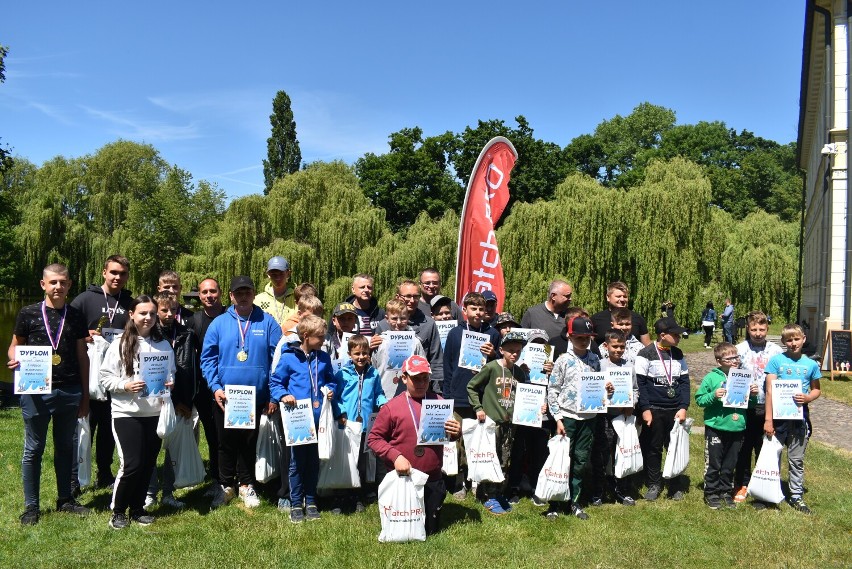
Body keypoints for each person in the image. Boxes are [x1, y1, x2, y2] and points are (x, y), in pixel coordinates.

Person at [8, 263, 90, 525]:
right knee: (33, 448)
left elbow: (82, 356)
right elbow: (14, 347)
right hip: (35, 390)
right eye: (53, 282)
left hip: (69, 389)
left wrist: (85, 396)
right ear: (43, 284)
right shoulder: (28, 313)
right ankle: (31, 507)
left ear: (69, 285)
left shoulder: (75, 315)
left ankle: (65, 499)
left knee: (65, 447)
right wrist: (14, 360)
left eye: (63, 282)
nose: (58, 287)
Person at [200, 276, 282, 510]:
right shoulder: (219, 323)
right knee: (224, 442)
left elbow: (277, 361)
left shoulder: (268, 323)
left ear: (253, 293)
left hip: (255, 397)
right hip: (225, 397)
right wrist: (215, 387)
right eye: (239, 292)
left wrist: (273, 395)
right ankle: (226, 485)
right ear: (231, 296)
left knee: (248, 442)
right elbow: (208, 359)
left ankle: (246, 485)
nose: (243, 296)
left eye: (247, 292)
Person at [99, 295, 176, 529]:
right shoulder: (120, 343)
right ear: (131, 314)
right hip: (126, 413)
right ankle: (118, 511)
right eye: (143, 313)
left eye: (152, 313)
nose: (148, 318)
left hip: (153, 413)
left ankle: (138, 508)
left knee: (148, 463)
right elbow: (105, 377)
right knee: (131, 464)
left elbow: (169, 372)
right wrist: (125, 386)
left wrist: (169, 381)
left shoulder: (163, 345)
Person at [367, 355, 462, 536]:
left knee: (431, 531)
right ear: (404, 378)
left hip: (432, 477)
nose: (421, 383)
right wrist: (395, 456)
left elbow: (446, 436)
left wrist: (456, 432)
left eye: (425, 378)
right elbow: (374, 439)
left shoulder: (440, 403)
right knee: (403, 529)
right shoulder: (391, 408)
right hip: (403, 479)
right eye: (415, 378)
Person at [70, 254, 132, 490]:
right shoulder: (85, 300)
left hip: (115, 376)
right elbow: (67, 331)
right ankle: (74, 477)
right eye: (113, 272)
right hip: (88, 374)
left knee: (108, 429)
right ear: (104, 272)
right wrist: (84, 336)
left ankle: (104, 473)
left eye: (122, 273)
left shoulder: (129, 303)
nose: (118, 277)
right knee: (84, 427)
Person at [270, 314, 337, 523]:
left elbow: (331, 381)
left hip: (318, 419)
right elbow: (275, 383)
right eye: (320, 337)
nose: (324, 340)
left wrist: (330, 390)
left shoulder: (323, 357)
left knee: (313, 462)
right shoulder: (289, 357)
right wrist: (283, 395)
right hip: (297, 418)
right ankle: (296, 501)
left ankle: (311, 499)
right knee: (296, 462)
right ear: (306, 336)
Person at [442, 292, 501, 499]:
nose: (477, 313)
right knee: (457, 439)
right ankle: (458, 481)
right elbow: (447, 365)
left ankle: (475, 479)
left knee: (477, 440)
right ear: (464, 310)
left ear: (486, 312)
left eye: (481, 309)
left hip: (482, 396)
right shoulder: (455, 333)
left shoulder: (493, 334)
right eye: (473, 309)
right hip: (457, 394)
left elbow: (500, 364)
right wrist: (447, 396)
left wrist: (493, 354)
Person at [545, 316, 603, 521]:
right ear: (570, 336)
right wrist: (558, 419)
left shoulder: (595, 359)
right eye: (580, 337)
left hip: (589, 416)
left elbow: (598, 388)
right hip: (567, 416)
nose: (584, 341)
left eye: (588, 337)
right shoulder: (563, 360)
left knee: (580, 460)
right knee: (562, 459)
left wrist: (608, 390)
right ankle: (554, 503)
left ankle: (574, 501)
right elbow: (552, 390)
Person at [145, 292, 200, 511]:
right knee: (151, 448)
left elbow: (189, 372)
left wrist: (185, 401)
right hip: (154, 399)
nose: (169, 314)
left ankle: (168, 491)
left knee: (172, 450)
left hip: (180, 402)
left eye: (173, 310)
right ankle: (149, 493)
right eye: (164, 310)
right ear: (156, 310)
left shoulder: (187, 334)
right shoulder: (150, 334)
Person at [467, 331, 528, 515]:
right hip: (491, 424)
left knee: (504, 460)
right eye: (510, 350)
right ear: (501, 350)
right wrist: (478, 408)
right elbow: (471, 386)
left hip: (511, 424)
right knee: (489, 459)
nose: (514, 354)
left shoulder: (520, 373)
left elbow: (525, 397)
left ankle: (498, 493)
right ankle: (487, 495)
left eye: (518, 351)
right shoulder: (492, 368)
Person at [763, 323, 821, 515]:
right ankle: (771, 492)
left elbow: (816, 389)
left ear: (803, 339)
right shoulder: (776, 361)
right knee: (774, 458)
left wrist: (808, 398)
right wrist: (768, 420)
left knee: (796, 459)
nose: (793, 343)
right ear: (783, 342)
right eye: (789, 340)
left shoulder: (811, 364)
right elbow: (770, 390)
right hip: (778, 418)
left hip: (799, 418)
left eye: (797, 339)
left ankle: (796, 495)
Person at [635, 316, 690, 502]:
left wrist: (683, 406)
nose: (679, 337)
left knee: (674, 448)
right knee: (653, 447)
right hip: (654, 409)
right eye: (676, 334)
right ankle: (654, 483)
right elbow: (641, 384)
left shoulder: (678, 354)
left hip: (674, 410)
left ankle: (675, 485)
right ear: (663, 335)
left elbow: (684, 382)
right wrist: (645, 408)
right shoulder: (646, 354)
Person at [695, 342, 755, 509]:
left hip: (737, 427)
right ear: (718, 361)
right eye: (729, 358)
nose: (734, 361)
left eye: (736, 357)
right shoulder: (712, 377)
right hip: (716, 427)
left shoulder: (743, 376)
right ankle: (711, 493)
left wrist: (754, 396)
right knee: (714, 463)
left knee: (730, 464)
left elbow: (749, 404)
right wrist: (714, 395)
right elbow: (699, 400)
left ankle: (726, 492)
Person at [331, 334, 387, 513]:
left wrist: (383, 403)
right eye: (357, 354)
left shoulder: (373, 374)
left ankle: (358, 497)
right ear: (349, 354)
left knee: (361, 464)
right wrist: (340, 413)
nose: (361, 357)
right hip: (347, 426)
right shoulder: (342, 374)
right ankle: (340, 497)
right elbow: (336, 398)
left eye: (364, 353)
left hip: (365, 428)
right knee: (345, 462)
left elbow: (378, 392)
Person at [733, 311, 782, 506]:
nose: (758, 333)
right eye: (754, 329)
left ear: (767, 329)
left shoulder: (776, 351)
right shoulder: (739, 349)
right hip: (746, 406)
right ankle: (743, 483)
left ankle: (765, 482)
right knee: (744, 447)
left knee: (765, 447)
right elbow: (732, 377)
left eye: (762, 329)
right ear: (748, 328)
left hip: (769, 406)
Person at [592, 329, 639, 507]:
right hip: (603, 418)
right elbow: (593, 387)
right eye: (615, 346)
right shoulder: (599, 365)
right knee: (601, 456)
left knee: (623, 454)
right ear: (606, 346)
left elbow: (634, 389)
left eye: (622, 347)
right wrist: (605, 388)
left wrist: (631, 404)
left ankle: (622, 491)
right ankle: (598, 492)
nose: (618, 350)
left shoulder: (629, 367)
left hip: (623, 417)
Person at [185, 277, 223, 492]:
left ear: (220, 292)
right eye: (205, 292)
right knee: (212, 434)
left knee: (231, 434)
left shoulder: (231, 317)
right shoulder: (194, 321)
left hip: (230, 386)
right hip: (204, 387)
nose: (209, 296)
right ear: (199, 296)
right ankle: (217, 478)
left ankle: (235, 476)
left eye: (213, 291)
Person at [374, 281, 444, 393]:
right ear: (398, 297)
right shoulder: (382, 325)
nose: (412, 300)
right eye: (408, 296)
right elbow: (375, 363)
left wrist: (436, 390)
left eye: (416, 296)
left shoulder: (429, 324)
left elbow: (436, 359)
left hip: (414, 389)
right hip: (385, 389)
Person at [372, 298, 427, 401]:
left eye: (402, 318)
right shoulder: (379, 342)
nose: (398, 322)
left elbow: (423, 369)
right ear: (387, 319)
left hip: (409, 395)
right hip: (383, 395)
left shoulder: (415, 342)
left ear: (408, 317)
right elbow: (373, 369)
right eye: (394, 318)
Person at [590, 281, 651, 347]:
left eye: (625, 296)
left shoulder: (638, 318)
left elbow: (647, 346)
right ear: (608, 297)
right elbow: (589, 345)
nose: (622, 299)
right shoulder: (596, 319)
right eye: (618, 296)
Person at [254, 256, 296, 327]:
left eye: (281, 274)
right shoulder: (257, 300)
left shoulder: (298, 298)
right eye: (274, 275)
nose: (278, 278)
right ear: (268, 274)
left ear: (288, 273)